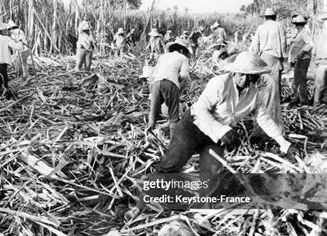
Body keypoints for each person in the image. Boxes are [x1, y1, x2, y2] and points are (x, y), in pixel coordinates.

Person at [126, 52, 296, 220]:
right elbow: (200, 109)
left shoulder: (254, 94)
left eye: (251, 77)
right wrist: (222, 130)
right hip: (193, 128)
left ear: (256, 77)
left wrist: (284, 143)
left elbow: (264, 118)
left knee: (213, 176)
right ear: (234, 72)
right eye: (242, 75)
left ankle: (199, 215)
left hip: (216, 137)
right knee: (170, 166)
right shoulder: (219, 83)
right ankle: (140, 206)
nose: (245, 80)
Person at [249, 7, 286, 129]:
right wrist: (283, 58)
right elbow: (283, 42)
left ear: (265, 17)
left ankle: (262, 103)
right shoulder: (279, 26)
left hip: (263, 56)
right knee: (274, 82)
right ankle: (275, 106)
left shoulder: (261, 28)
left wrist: (254, 57)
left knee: (264, 82)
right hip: (274, 56)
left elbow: (255, 45)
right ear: (274, 17)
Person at [147, 39, 191, 136]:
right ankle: (173, 141)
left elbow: (153, 74)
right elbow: (184, 75)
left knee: (153, 115)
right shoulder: (183, 58)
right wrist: (176, 80)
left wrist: (151, 91)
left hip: (156, 83)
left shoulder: (163, 56)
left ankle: (149, 135)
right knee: (173, 117)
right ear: (182, 50)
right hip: (171, 84)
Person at [288, 15, 314, 106]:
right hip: (299, 59)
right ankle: (297, 97)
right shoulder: (299, 33)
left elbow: (310, 44)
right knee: (297, 79)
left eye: (297, 24)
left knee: (301, 79)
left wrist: (302, 52)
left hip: (303, 59)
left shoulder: (304, 33)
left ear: (300, 25)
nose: (296, 26)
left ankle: (303, 100)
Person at [313, 14, 327, 109]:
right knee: (320, 85)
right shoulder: (318, 36)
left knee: (319, 85)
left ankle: (317, 103)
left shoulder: (318, 36)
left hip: (320, 63)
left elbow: (313, 51)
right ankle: (318, 102)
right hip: (322, 62)